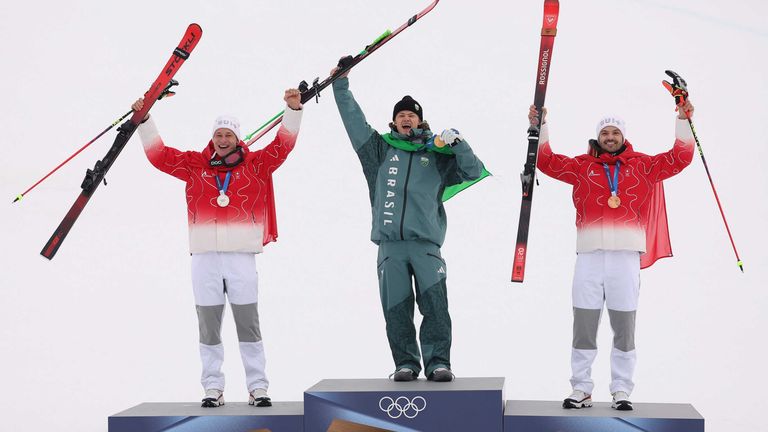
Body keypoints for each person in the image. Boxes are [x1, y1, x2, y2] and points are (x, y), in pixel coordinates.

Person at [130, 89, 303, 407]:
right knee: (208, 326)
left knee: (248, 323)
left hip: (241, 258)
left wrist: (293, 111)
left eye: (229, 134)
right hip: (204, 259)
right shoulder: (195, 165)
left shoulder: (256, 165)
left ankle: (258, 386)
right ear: (213, 138)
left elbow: (282, 147)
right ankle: (213, 387)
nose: (223, 139)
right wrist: (144, 119)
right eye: (219, 134)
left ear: (238, 139)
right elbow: (159, 156)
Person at [529, 97, 696, 411]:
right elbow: (547, 161)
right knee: (584, 325)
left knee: (624, 327)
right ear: (598, 137)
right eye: (604, 133)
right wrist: (541, 125)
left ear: (623, 137)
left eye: (614, 133)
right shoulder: (581, 166)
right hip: (589, 257)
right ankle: (581, 388)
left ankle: (621, 389)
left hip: (625, 258)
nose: (609, 137)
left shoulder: (644, 166)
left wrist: (683, 118)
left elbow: (680, 158)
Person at [331, 63, 487, 382]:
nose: (406, 119)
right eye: (401, 115)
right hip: (390, 247)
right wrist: (340, 84)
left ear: (420, 120)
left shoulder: (439, 156)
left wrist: (459, 143)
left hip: (426, 246)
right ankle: (406, 363)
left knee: (435, 306)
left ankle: (438, 363)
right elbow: (354, 121)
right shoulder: (378, 150)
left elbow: (473, 170)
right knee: (396, 310)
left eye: (412, 115)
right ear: (394, 122)